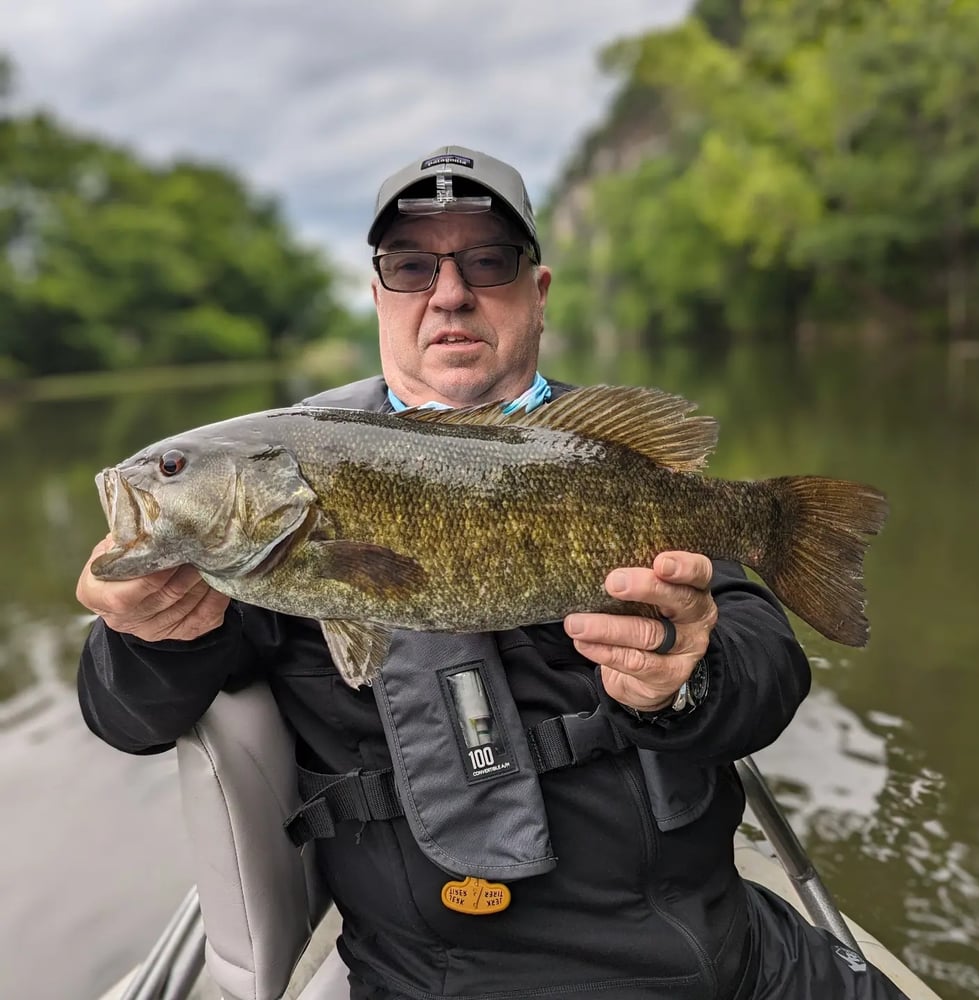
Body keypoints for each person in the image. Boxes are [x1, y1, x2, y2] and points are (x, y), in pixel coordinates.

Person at [76, 145, 910, 1000]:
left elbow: (769, 674)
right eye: (410, 265)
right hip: (445, 977)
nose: (449, 292)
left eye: (489, 260)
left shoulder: (605, 457)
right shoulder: (272, 526)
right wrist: (145, 636)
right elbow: (131, 719)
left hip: (708, 949)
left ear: (536, 292)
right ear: (379, 297)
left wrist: (690, 677)